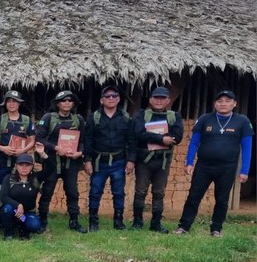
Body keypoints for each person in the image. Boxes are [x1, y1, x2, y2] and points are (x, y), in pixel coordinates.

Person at [174, 90, 253, 237]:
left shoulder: (242, 121)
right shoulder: (205, 119)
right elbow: (194, 143)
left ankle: (216, 229)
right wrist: (189, 162)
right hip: (204, 166)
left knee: (222, 199)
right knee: (193, 196)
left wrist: (244, 170)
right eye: (220, 101)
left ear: (234, 104)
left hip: (227, 167)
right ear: (215, 104)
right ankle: (183, 226)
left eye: (227, 101)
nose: (223, 104)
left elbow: (247, 147)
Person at [83, 86, 136, 231]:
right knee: (95, 192)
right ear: (101, 100)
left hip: (119, 161)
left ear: (118, 99)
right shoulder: (94, 117)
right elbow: (88, 140)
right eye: (107, 96)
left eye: (114, 96)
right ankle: (93, 223)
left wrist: (131, 160)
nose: (111, 99)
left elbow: (131, 140)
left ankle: (118, 222)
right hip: (99, 162)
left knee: (118, 192)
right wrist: (87, 160)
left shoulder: (125, 117)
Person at [131, 87, 183, 233]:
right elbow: (139, 134)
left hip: (163, 161)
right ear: (150, 100)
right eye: (156, 98)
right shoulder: (142, 114)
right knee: (140, 191)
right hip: (144, 160)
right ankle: (137, 222)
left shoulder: (174, 116)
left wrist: (158, 137)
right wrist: (162, 138)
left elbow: (177, 137)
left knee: (159, 192)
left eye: (162, 98)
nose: (159, 101)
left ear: (168, 100)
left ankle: (156, 223)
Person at [35, 90, 87, 233]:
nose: (67, 103)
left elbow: (83, 140)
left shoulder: (79, 120)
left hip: (71, 162)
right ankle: (43, 220)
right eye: (63, 101)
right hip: (51, 161)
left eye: (70, 101)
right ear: (58, 104)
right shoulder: (48, 118)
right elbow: (39, 138)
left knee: (72, 192)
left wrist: (80, 153)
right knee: (47, 191)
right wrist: (56, 147)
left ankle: (74, 221)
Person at [0, 90, 35, 187]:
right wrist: (3, 149)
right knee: (2, 187)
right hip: (3, 161)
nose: (11, 104)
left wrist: (23, 150)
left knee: (21, 187)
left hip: (22, 162)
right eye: (9, 101)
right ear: (5, 103)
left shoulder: (26, 120)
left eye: (14, 101)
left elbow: (32, 140)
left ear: (19, 103)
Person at [0, 153, 47, 240]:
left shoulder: (36, 178)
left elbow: (51, 168)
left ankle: (22, 228)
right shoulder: (9, 178)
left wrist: (43, 154)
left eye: (27, 165)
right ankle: (8, 232)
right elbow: (3, 197)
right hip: (13, 211)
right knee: (7, 208)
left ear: (32, 166)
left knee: (35, 226)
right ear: (16, 166)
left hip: (27, 213)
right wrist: (18, 205)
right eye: (21, 164)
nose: (24, 167)